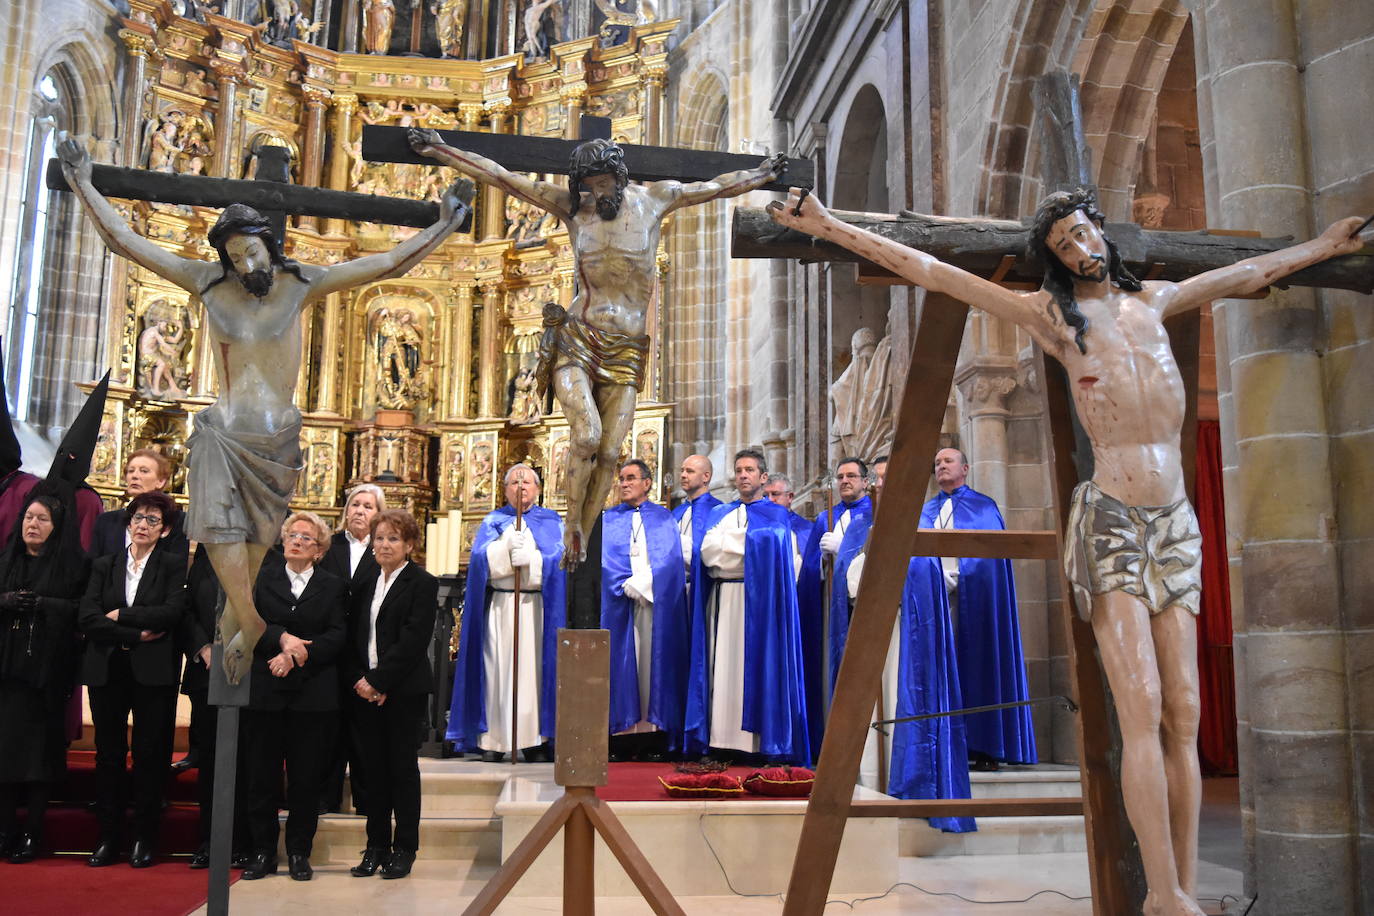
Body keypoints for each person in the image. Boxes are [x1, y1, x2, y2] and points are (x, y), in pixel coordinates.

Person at [769, 185, 1370, 916]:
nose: (1081, 249)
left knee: (1185, 707)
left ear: (1103, 236)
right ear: (1053, 262)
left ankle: (1176, 888)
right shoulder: (1054, 318)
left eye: (1085, 234)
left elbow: (1248, 274)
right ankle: (1164, 891)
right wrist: (831, 224)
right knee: (1141, 705)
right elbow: (932, 272)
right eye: (1063, 246)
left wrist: (1327, 247)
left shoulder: (1157, 299)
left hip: (1175, 518)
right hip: (1113, 517)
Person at [59, 130, 470, 683]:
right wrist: (84, 182)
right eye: (233, 255)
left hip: (275, 439)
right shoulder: (207, 282)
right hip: (222, 431)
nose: (244, 261)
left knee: (252, 549)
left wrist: (445, 223)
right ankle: (252, 623)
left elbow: (388, 265)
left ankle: (240, 622)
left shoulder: (302, 285)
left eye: (250, 250)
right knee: (219, 531)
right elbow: (130, 244)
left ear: (268, 244)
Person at [410, 130, 784, 564]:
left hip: (625, 346)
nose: (597, 192)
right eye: (588, 184)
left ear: (619, 175)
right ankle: (572, 521)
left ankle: (582, 533)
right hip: (580, 336)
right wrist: (440, 150)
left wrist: (761, 175)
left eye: (603, 181)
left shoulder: (656, 199)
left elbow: (714, 186)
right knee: (586, 435)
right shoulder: (573, 209)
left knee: (609, 451)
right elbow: (503, 177)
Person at [839, 459, 973, 831]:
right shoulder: (861, 531)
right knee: (871, 715)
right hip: (869, 638)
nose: (882, 486)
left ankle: (908, 782)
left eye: (889, 478)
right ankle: (870, 781)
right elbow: (850, 584)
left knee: (905, 706)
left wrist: (885, 574)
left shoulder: (924, 528)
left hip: (909, 637)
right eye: (878, 480)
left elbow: (930, 579)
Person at [79, 490, 187, 868]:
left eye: (152, 520)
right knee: (109, 754)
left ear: (166, 529)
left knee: (150, 752)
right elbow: (88, 617)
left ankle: (144, 838)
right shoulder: (104, 565)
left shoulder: (173, 565)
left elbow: (171, 613)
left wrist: (119, 617)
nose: (143, 525)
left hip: (153, 670)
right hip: (107, 668)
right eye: (138, 518)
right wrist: (134, 632)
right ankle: (107, 837)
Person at [239, 512, 346, 881]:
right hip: (266, 689)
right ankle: (262, 851)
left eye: (306, 538)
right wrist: (280, 640)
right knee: (261, 776)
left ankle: (300, 851)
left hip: (311, 693)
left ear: (319, 550)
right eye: (292, 535)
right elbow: (248, 621)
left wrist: (298, 654)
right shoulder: (262, 578)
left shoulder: (332, 585)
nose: (297, 541)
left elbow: (338, 634)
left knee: (305, 779)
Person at [684, 449, 808, 764]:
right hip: (724, 601)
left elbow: (777, 557)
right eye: (739, 470)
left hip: (761, 607)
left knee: (757, 668)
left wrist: (734, 544)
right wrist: (747, 545)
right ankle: (721, 743)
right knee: (723, 671)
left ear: (762, 477)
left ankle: (758, 746)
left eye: (750, 470)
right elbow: (709, 554)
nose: (743, 475)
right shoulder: (720, 514)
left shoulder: (777, 516)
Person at [920, 448, 1036, 770]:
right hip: (938, 597)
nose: (941, 465)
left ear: (965, 468)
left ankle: (985, 747)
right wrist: (934, 576)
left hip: (976, 599)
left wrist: (965, 576)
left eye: (948, 461)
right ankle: (942, 745)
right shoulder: (926, 510)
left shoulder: (983, 507)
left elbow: (990, 561)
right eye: (937, 462)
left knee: (982, 662)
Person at [344, 509, 437, 880]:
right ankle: (375, 846)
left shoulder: (422, 583)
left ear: (409, 545)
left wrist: (381, 681)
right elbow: (353, 637)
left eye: (393, 539)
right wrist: (363, 681)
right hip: (365, 690)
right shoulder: (365, 582)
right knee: (372, 773)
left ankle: (405, 848)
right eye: (379, 538)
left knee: (401, 770)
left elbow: (413, 640)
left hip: (403, 690)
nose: (384, 545)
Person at [449, 465, 565, 762]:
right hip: (501, 607)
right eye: (514, 482)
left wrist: (533, 559)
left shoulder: (551, 521)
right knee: (497, 670)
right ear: (505, 490)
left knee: (534, 673)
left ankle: (535, 741)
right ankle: (495, 740)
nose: (521, 486)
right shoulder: (494, 521)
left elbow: (561, 563)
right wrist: (502, 550)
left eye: (527, 481)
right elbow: (478, 564)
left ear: (538, 489)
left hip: (535, 608)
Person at [0, 489, 89, 862]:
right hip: (7, 673)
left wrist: (45, 604)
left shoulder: (74, 564)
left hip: (47, 676)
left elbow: (83, 609)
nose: (32, 525)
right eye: (28, 518)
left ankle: (33, 834)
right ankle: (5, 832)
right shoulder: (6, 559)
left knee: (39, 757)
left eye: (41, 519)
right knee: (5, 755)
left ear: (57, 526)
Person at [602, 459, 687, 759]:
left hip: (654, 605)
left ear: (647, 483)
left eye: (631, 478)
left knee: (653, 666)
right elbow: (604, 562)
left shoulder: (664, 519)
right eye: (621, 478)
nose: (624, 483)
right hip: (621, 605)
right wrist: (622, 584)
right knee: (622, 665)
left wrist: (645, 584)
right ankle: (622, 737)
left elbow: (670, 561)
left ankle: (653, 737)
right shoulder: (609, 519)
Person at [178, 544, 250, 869]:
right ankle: (209, 840)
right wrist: (203, 647)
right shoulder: (206, 553)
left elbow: (268, 607)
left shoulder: (263, 550)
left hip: (247, 672)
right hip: (206, 673)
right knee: (209, 761)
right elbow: (189, 608)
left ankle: (241, 842)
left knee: (244, 762)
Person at [796, 456, 872, 751]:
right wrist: (820, 561)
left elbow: (872, 559)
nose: (845, 481)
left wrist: (843, 551)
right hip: (829, 607)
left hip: (857, 609)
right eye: (840, 476)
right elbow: (810, 566)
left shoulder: (872, 514)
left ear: (865, 482)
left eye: (852, 476)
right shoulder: (825, 518)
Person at [319, 483, 384, 814]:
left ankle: (366, 800)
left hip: (364, 653)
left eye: (368, 506)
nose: (360, 510)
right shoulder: (327, 547)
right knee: (328, 732)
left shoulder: (384, 551)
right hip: (329, 652)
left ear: (379, 514)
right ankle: (326, 798)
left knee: (363, 733)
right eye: (355, 504)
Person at [89, 449, 188, 559]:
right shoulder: (106, 520)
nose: (135, 476)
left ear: (161, 481)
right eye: (131, 471)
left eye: (144, 471)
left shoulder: (177, 520)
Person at [671, 454, 719, 611]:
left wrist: (682, 547)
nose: (683, 475)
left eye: (690, 471)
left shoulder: (718, 511)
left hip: (703, 588)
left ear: (706, 477)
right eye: (682, 470)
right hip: (674, 588)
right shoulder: (676, 512)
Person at [762, 472, 812, 542]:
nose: (770, 499)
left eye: (775, 494)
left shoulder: (805, 529)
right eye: (765, 496)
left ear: (790, 497)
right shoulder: (756, 526)